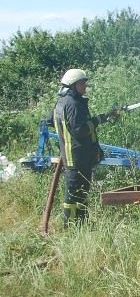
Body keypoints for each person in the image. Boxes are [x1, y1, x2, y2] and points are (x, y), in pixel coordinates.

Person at [50, 69, 121, 225]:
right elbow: (80, 130)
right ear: (72, 85)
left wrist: (102, 118)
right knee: (74, 195)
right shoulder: (74, 104)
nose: (85, 86)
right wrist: (96, 121)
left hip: (75, 157)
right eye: (81, 83)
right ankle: (71, 225)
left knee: (79, 193)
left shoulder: (62, 103)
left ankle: (81, 223)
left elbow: (51, 121)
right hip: (78, 158)